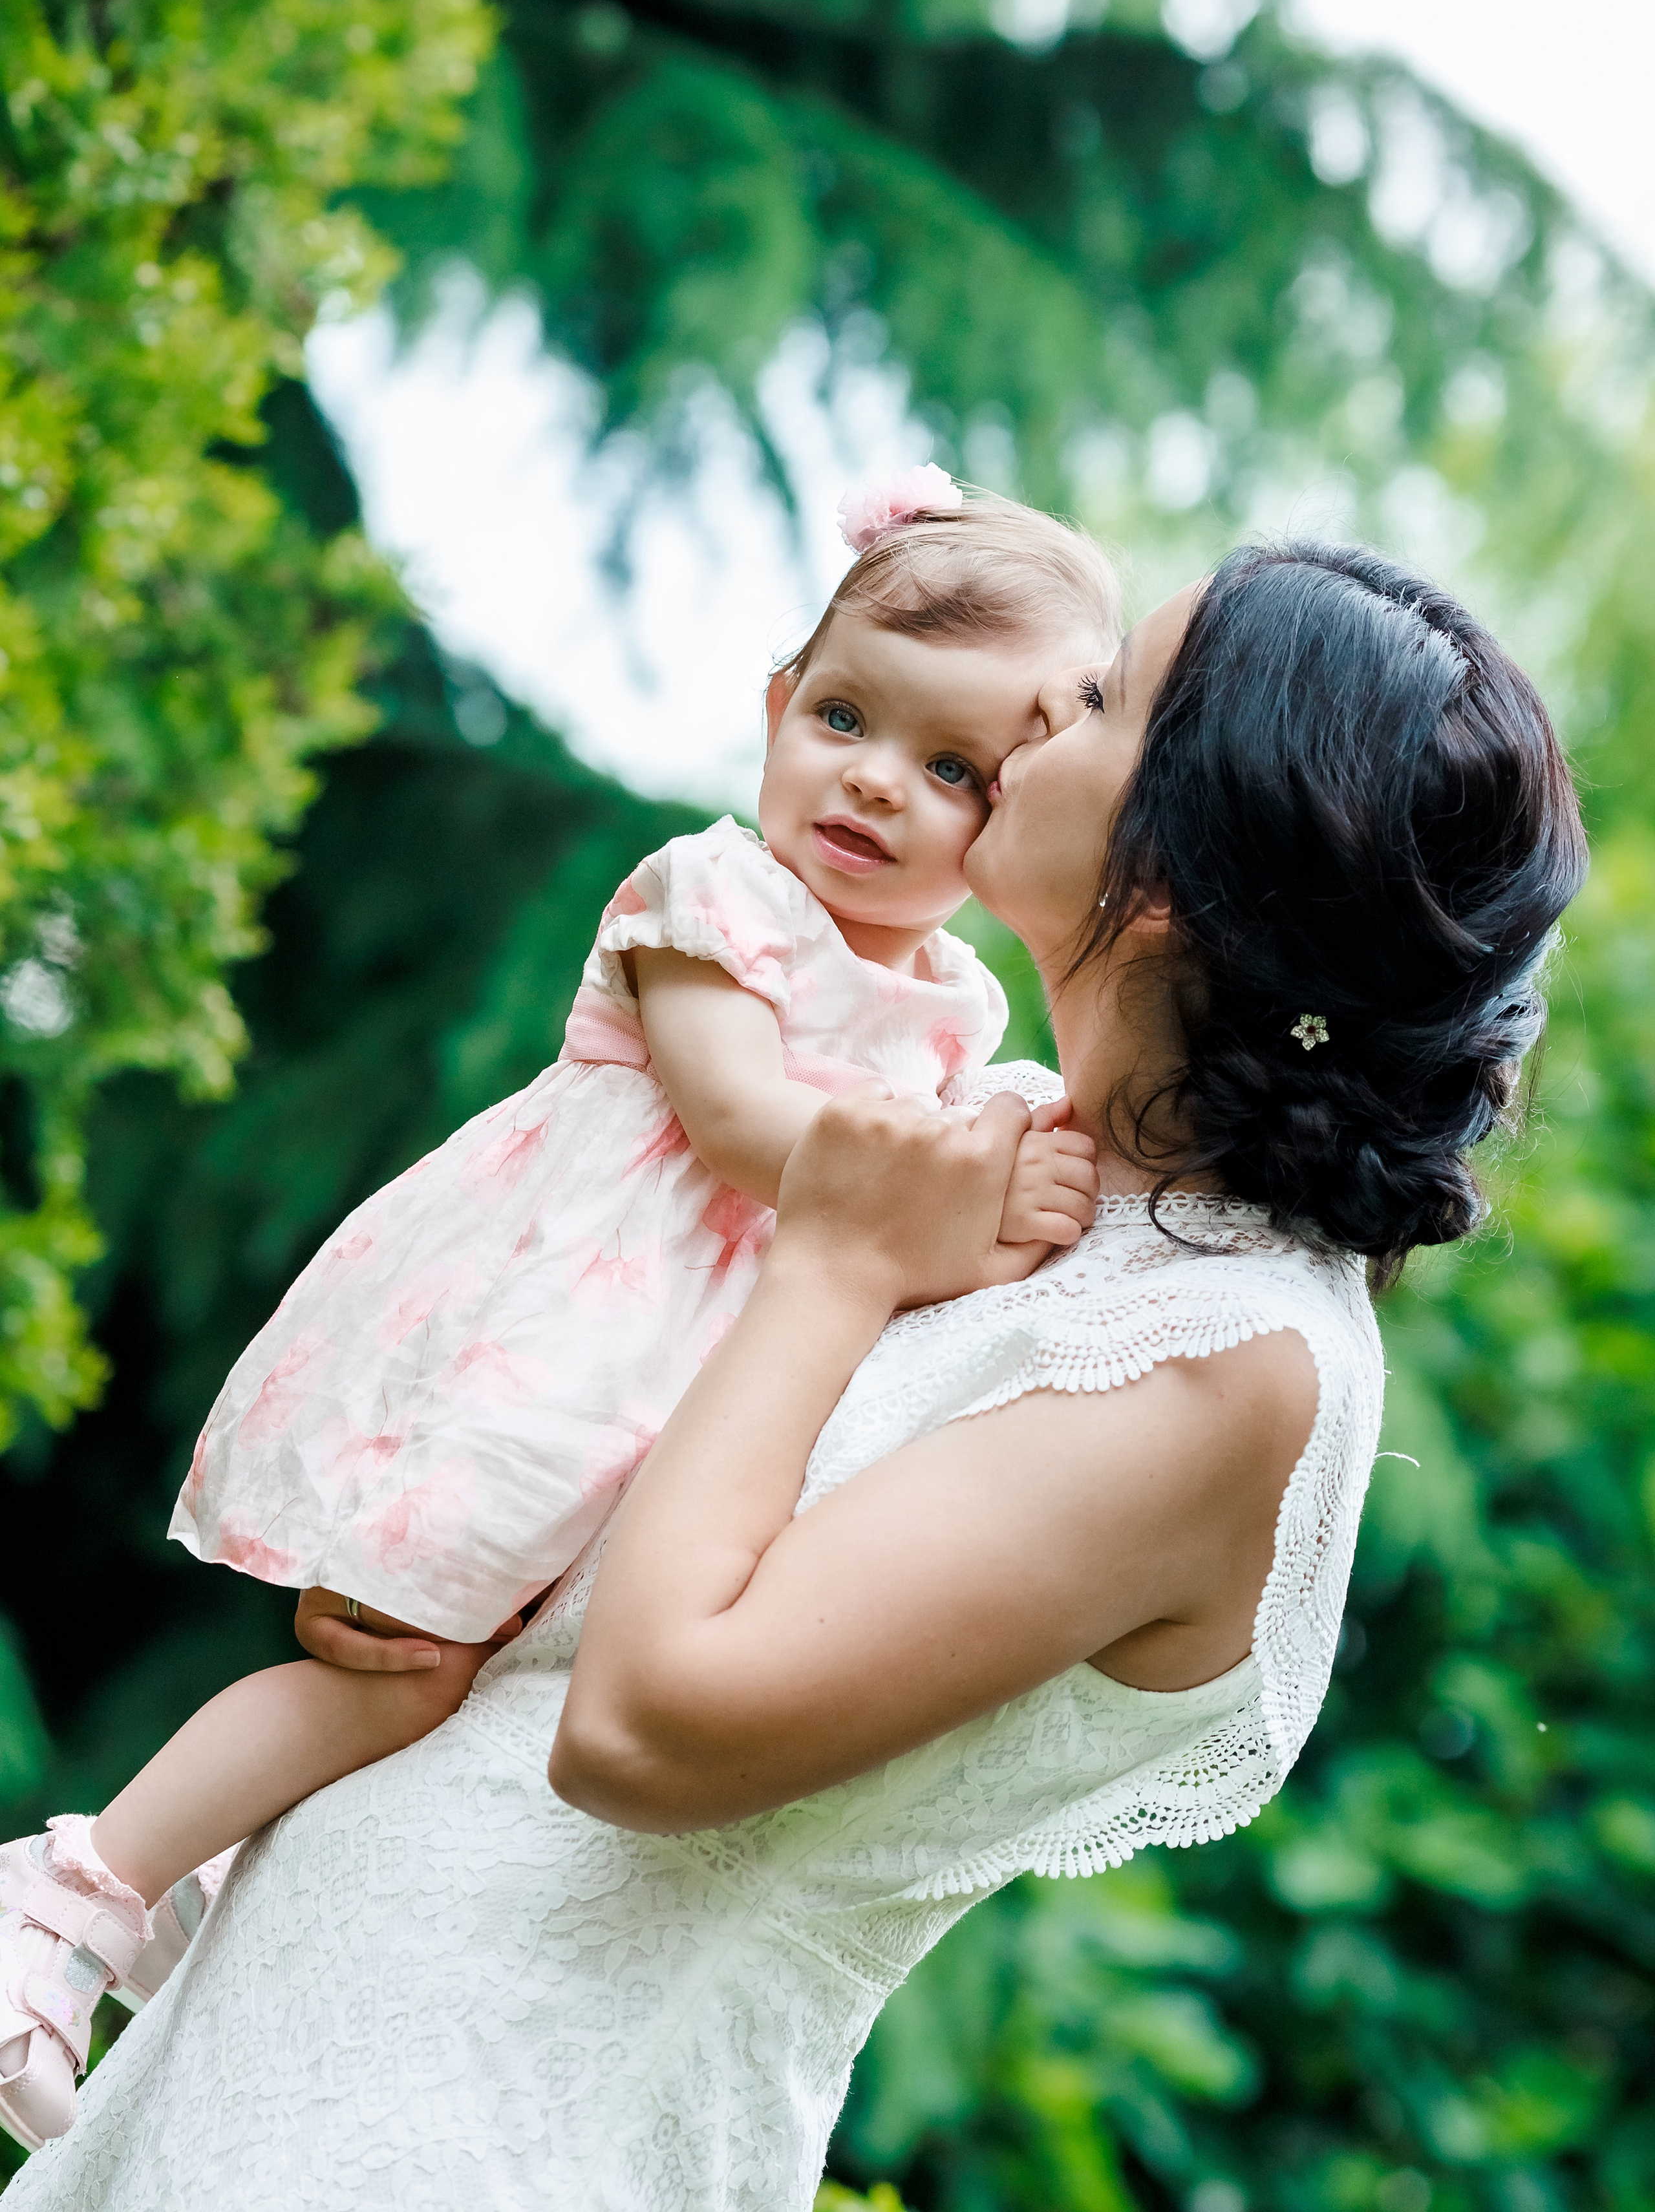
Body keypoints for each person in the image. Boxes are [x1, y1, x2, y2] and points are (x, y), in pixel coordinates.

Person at [2, 540, 1586, 2212]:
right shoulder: (994, 1150)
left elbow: (644, 1727)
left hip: (489, 2124)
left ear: (1189, 866)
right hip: (296, 2041)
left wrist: (835, 1261)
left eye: (1107, 698)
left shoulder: (1223, 1358)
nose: (1038, 725)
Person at [0, 471, 1116, 2152]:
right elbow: (745, 1129)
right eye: (845, 718)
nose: (876, 783)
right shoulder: (712, 899)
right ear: (773, 705)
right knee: (398, 1671)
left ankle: (210, 1879)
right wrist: (958, 1214)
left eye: (952, 769)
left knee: (480, 1693)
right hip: (553, 1354)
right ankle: (76, 1895)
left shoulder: (956, 1006)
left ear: (1015, 814)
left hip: (678, 1416)